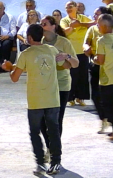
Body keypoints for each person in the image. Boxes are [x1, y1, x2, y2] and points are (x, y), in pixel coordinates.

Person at [2, 24, 64, 175]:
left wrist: (10, 68)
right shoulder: (52, 50)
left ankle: (41, 162)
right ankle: (56, 162)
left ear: (29, 38)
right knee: (54, 131)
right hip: (53, 98)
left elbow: (15, 78)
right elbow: (63, 64)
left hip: (35, 100)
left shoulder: (25, 54)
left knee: (35, 132)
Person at [84, 6, 113, 133]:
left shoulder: (104, 39)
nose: (95, 23)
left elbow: (101, 60)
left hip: (107, 75)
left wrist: (93, 58)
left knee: (109, 103)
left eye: (97, 18)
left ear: (104, 23)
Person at [40, 16, 78, 162]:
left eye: (45, 24)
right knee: (42, 119)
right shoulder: (40, 42)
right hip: (44, 85)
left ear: (54, 26)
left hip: (61, 85)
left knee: (56, 120)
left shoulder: (64, 42)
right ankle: (50, 146)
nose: (42, 26)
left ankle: (53, 150)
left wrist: (66, 56)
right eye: (41, 24)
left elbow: (75, 64)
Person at [60, 1, 94, 106]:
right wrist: (73, 26)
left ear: (76, 8)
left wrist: (81, 24)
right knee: (72, 75)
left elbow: (94, 23)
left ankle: (81, 97)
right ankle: (70, 98)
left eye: (70, 6)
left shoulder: (83, 18)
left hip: (82, 51)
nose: (68, 9)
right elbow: (64, 31)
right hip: (71, 52)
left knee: (82, 75)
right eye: (66, 7)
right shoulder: (64, 20)